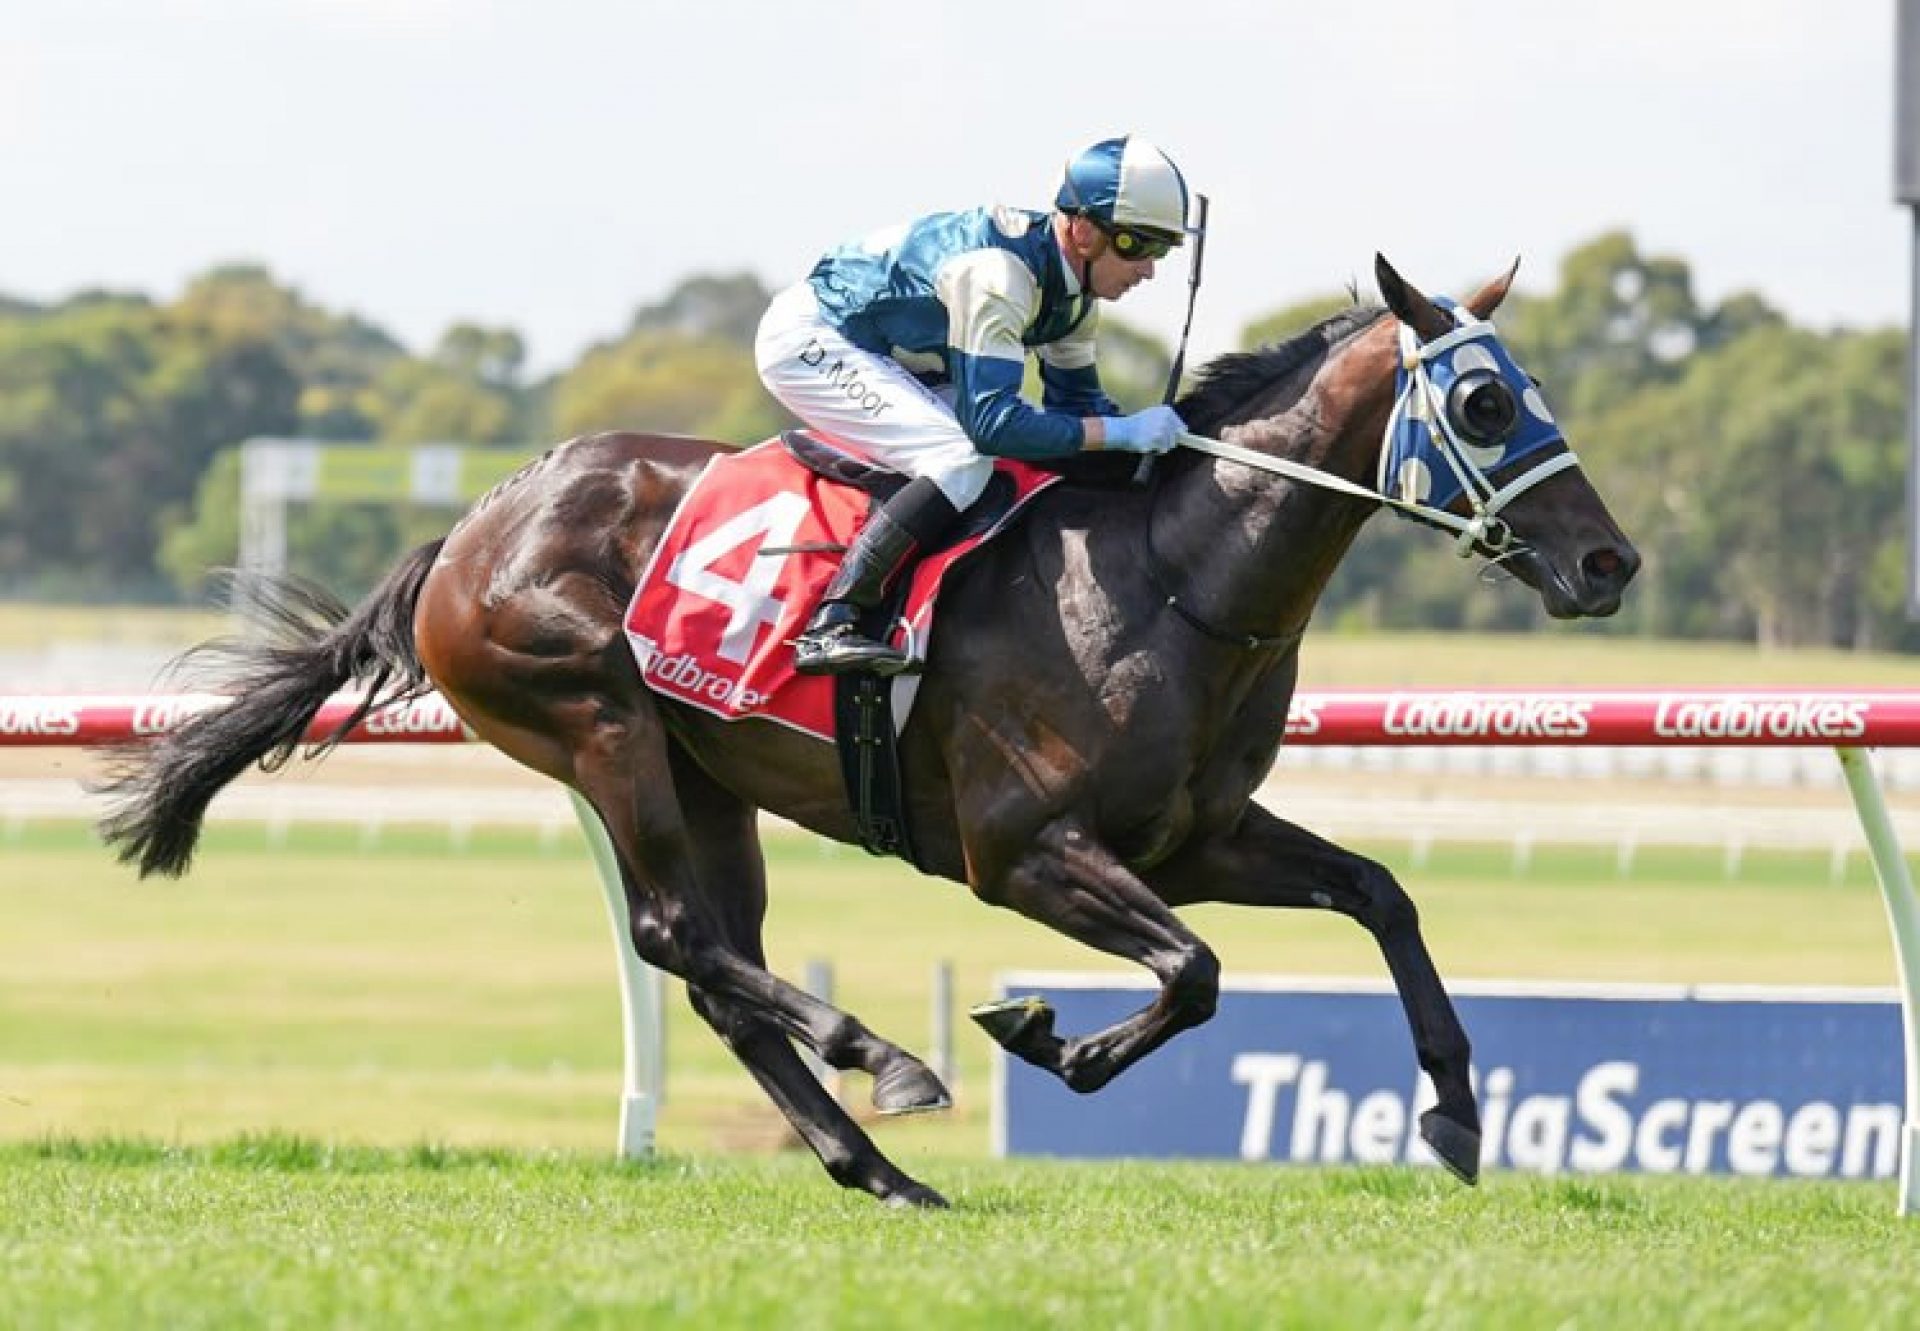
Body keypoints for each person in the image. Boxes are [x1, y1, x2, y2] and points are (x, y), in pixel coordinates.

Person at [755, 134, 1195, 677]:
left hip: (899, 355)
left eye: (1162, 250)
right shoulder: (1001, 275)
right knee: (961, 459)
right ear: (1082, 231)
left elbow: (1078, 409)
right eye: (1137, 245)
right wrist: (1123, 433)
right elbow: (994, 426)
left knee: (1019, 459)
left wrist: (1162, 451)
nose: (1149, 269)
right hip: (817, 336)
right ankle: (832, 621)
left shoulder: (1075, 298)